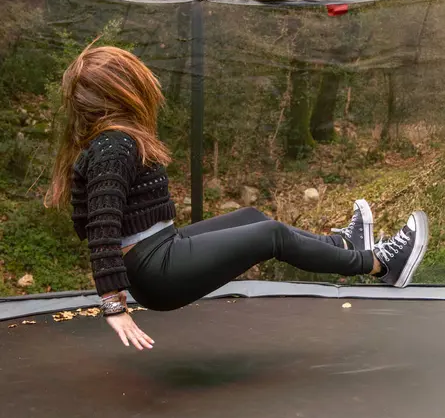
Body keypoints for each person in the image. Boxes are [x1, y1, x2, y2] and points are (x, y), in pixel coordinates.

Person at [46, 45, 429, 351]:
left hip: (160, 248)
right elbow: (100, 225)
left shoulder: (109, 142)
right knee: (270, 235)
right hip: (155, 271)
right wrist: (113, 303)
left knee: (251, 217)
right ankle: (379, 264)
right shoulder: (115, 144)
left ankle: (345, 243)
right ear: (123, 93)